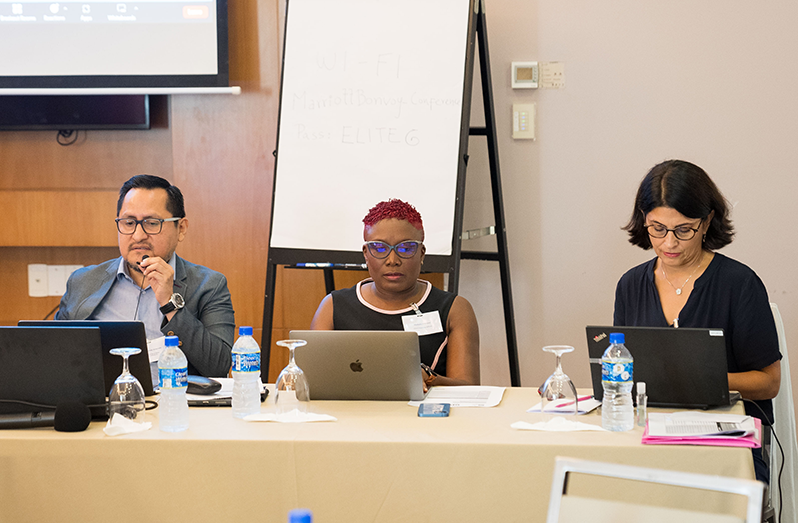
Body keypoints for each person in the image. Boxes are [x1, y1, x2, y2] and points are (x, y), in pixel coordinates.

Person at [614, 159, 781, 482]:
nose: (669, 243)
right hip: (648, 437)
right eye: (657, 229)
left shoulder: (739, 284)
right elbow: (626, 366)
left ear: (707, 222)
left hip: (726, 443)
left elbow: (768, 383)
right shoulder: (630, 285)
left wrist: (699, 379)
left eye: (683, 230)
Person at [56, 174, 234, 377]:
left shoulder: (209, 285)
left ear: (181, 229)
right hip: (102, 403)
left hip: (174, 402)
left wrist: (170, 303)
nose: (138, 235)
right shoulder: (83, 282)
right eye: (129, 223)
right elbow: (55, 356)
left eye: (152, 223)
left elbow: (219, 366)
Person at [311, 199, 480, 388]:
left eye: (406, 248)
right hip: (353, 415)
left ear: (422, 254)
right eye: (380, 248)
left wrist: (428, 378)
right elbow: (312, 383)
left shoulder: (454, 309)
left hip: (425, 416)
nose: (393, 260)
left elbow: (469, 390)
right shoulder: (333, 306)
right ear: (366, 254)